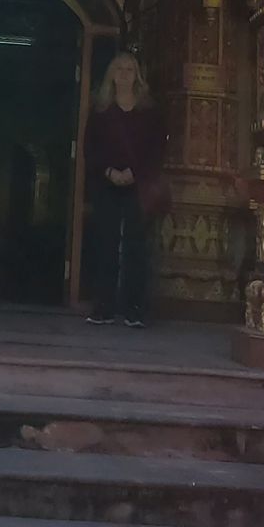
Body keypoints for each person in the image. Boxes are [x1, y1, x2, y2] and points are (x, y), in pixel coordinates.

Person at [84, 50, 167, 325]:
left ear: (137, 76)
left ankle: (134, 308)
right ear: (111, 75)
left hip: (138, 183)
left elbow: (156, 149)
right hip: (106, 181)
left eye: (129, 69)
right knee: (105, 242)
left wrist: (135, 173)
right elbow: (90, 147)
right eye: (118, 69)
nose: (123, 74)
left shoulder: (149, 112)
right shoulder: (100, 110)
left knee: (136, 245)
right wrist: (108, 171)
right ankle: (104, 306)